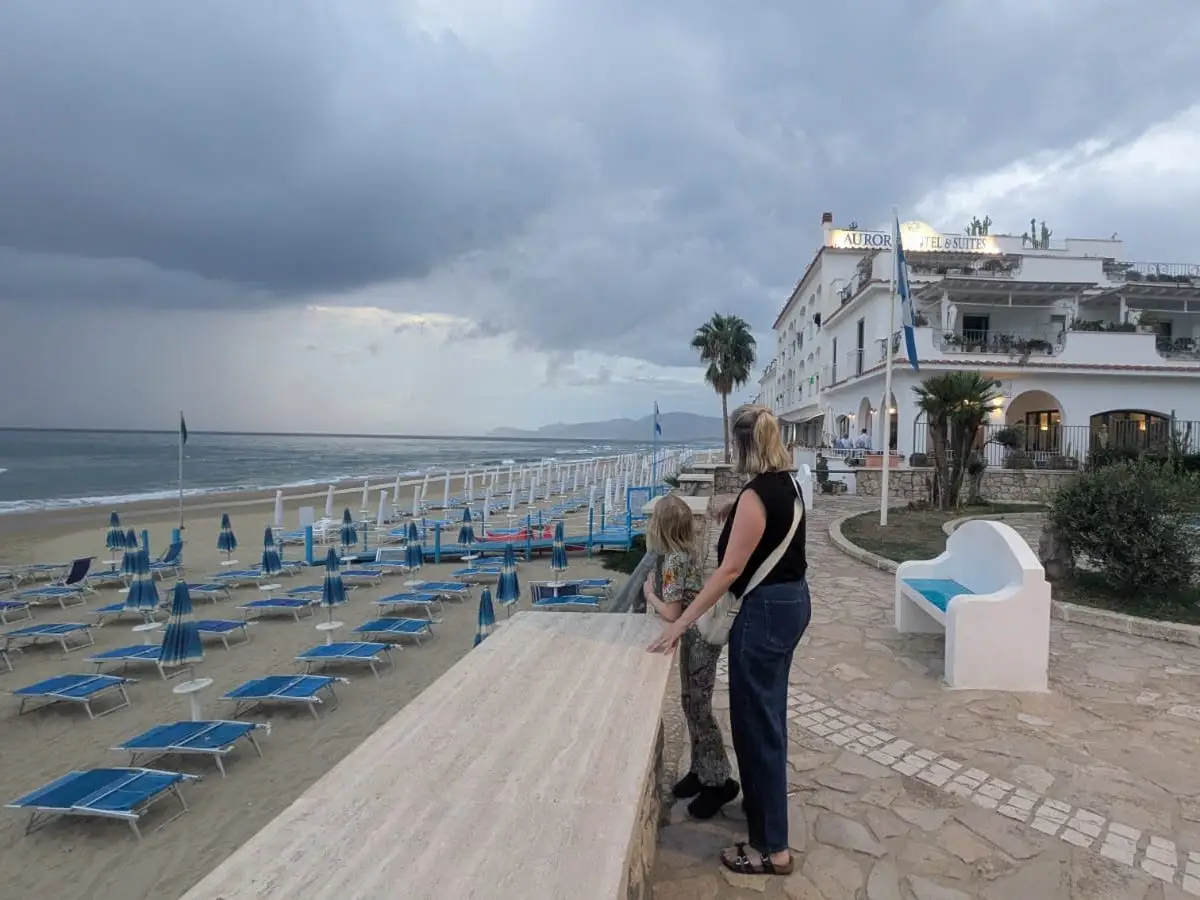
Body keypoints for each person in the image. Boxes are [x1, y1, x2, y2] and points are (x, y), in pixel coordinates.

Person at [648, 404, 810, 877]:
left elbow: (730, 570)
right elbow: (769, 522)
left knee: (756, 728)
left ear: (741, 445)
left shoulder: (758, 496)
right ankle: (763, 815)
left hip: (762, 615)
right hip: (792, 603)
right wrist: (733, 506)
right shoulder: (787, 484)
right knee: (766, 718)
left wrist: (680, 623)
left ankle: (771, 849)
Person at [642, 495, 740, 819]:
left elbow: (671, 612)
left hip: (698, 639)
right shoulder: (685, 553)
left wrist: (649, 594)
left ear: (660, 527)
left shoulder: (672, 561)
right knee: (691, 703)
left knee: (698, 708)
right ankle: (701, 770)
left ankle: (719, 780)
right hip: (699, 636)